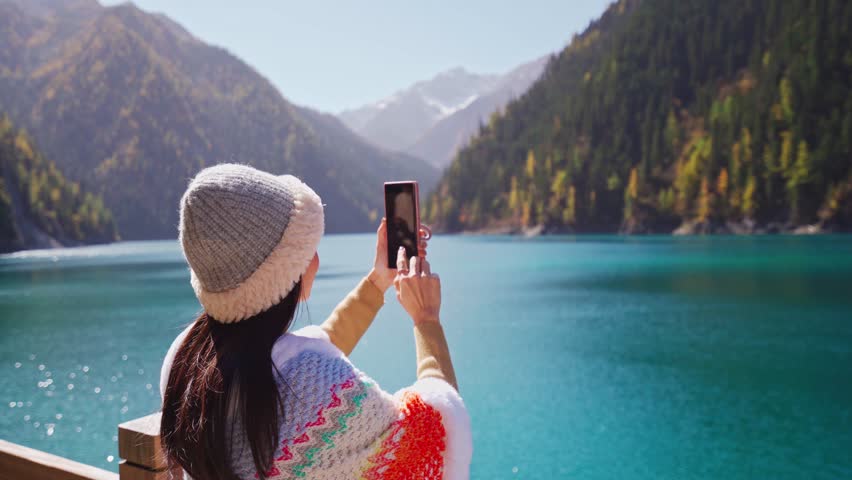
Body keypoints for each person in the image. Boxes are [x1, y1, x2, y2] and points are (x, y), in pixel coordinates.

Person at [159, 164, 472, 480]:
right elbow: (438, 435)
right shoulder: (323, 395)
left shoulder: (185, 362)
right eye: (308, 248)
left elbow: (303, 357)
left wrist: (378, 281)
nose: (316, 259)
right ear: (286, 273)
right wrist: (426, 319)